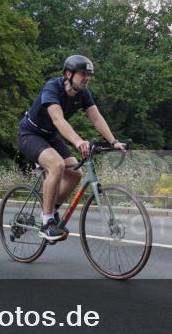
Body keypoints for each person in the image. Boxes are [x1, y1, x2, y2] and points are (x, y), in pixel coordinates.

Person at [17, 55, 125, 241]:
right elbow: (58, 119)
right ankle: (46, 223)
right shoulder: (52, 87)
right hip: (30, 134)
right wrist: (78, 141)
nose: (87, 78)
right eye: (83, 74)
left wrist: (113, 141)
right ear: (69, 74)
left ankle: (51, 210)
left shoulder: (83, 93)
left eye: (89, 75)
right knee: (57, 165)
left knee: (76, 173)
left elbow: (96, 118)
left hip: (50, 136)